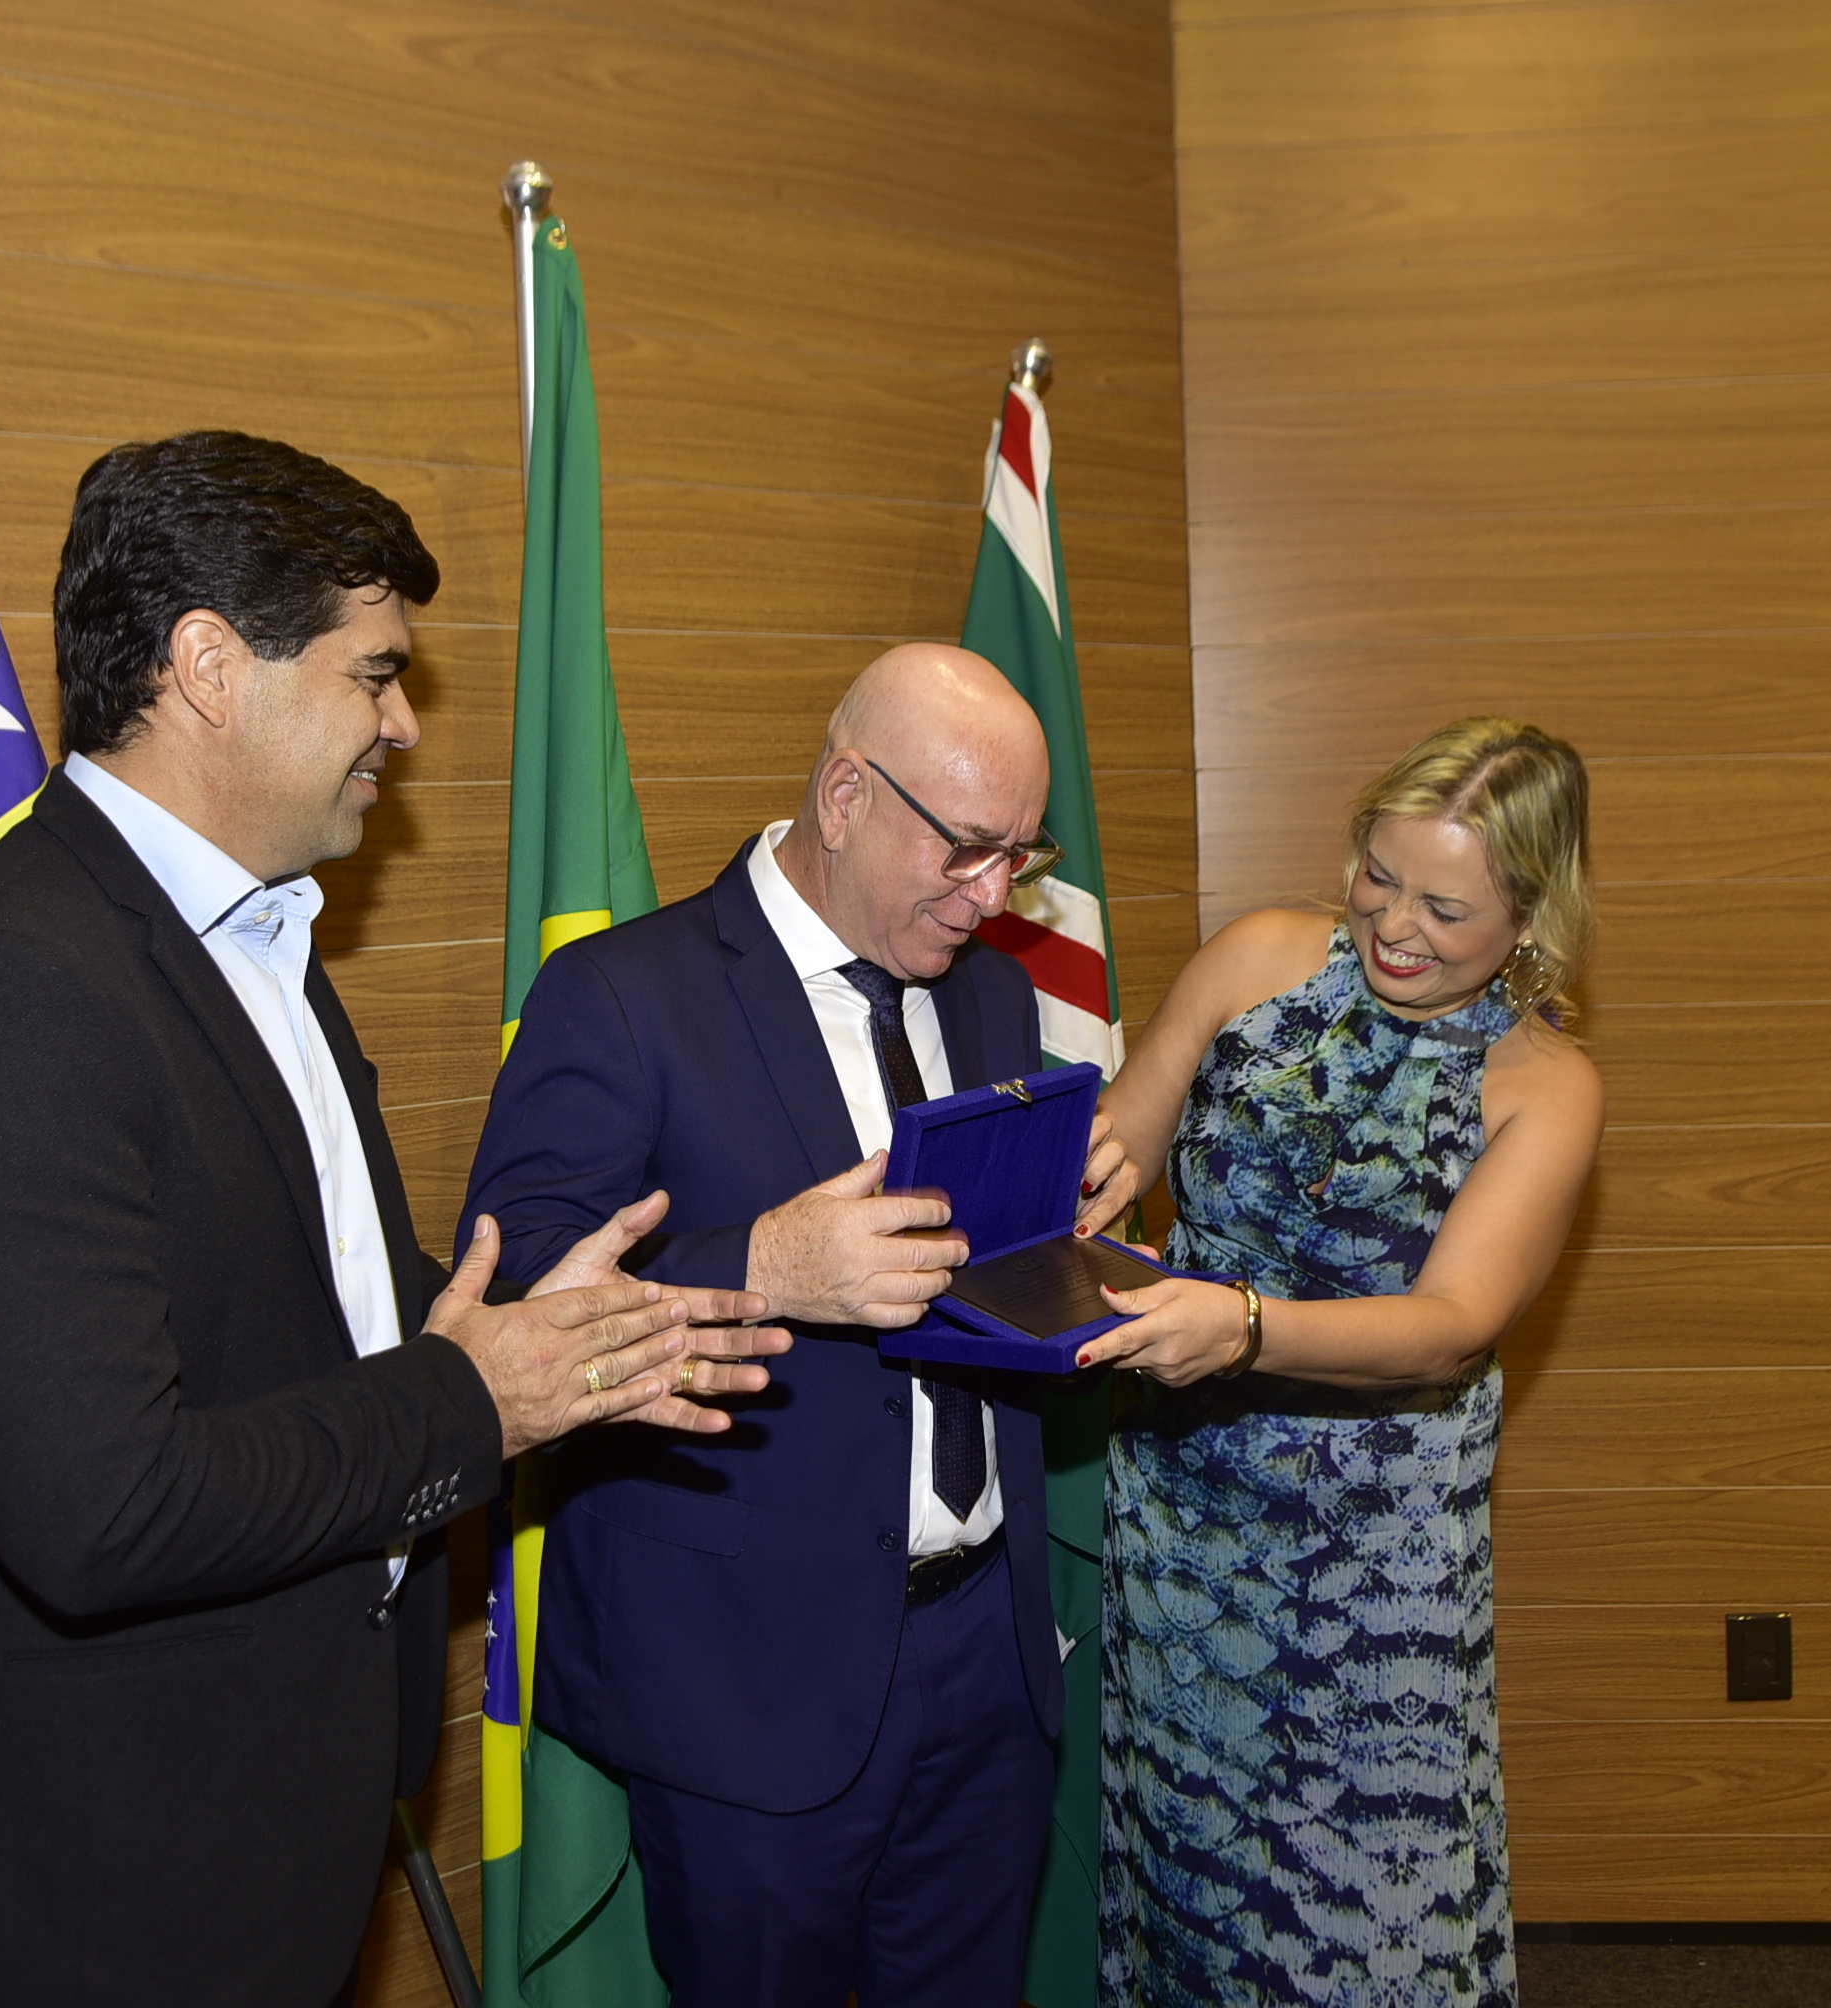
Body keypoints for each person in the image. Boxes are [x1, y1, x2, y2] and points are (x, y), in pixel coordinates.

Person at [0, 431, 787, 2007]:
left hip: (282, 1824)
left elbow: (337, 1305)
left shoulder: (257, 941)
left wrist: (597, 1341)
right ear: (209, 666)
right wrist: (477, 1399)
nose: (402, 723)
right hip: (100, 1899)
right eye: (373, 674)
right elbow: (103, 1510)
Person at [460, 644, 1129, 2008]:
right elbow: (519, 1298)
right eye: (966, 849)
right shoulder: (621, 997)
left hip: (986, 1658)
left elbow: (975, 1269)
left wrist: (1072, 1231)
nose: (993, 895)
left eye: (1020, 856)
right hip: (745, 1681)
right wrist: (763, 1269)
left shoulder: (992, 991)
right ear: (844, 796)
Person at [1072, 717, 1605, 2008]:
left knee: (1365, 1895)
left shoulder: (1545, 1085)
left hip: (1373, 1557)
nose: (1395, 926)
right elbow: (1124, 1138)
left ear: (1531, 916)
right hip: (1186, 1510)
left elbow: (1451, 1321)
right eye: (1378, 875)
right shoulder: (1258, 957)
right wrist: (1077, 1183)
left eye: (1446, 908)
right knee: (1188, 1867)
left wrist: (1246, 1326)